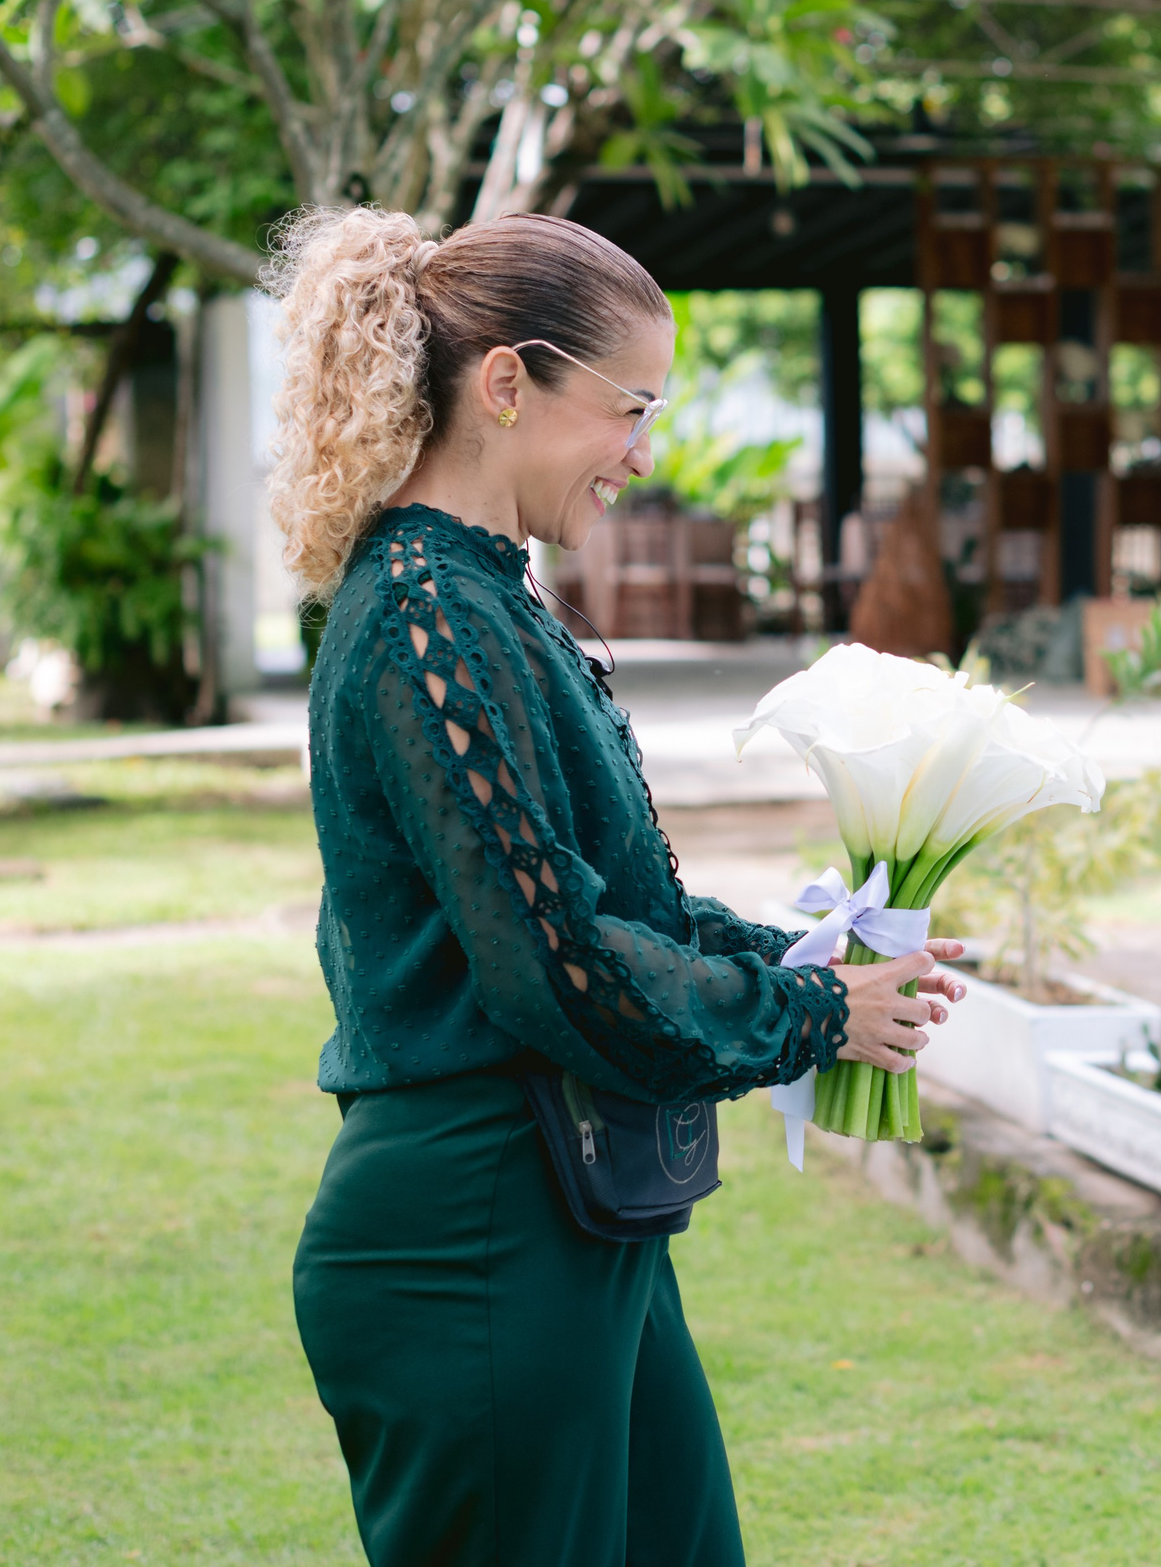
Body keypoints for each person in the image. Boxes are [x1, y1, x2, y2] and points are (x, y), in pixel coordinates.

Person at [267, 207, 964, 1567]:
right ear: (510, 381)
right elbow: (556, 960)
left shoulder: (488, 599)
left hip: (566, 1213)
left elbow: (617, 900)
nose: (644, 454)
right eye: (630, 406)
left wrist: (816, 963)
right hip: (473, 1232)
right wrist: (809, 1018)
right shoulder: (425, 612)